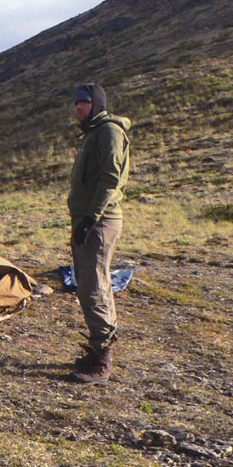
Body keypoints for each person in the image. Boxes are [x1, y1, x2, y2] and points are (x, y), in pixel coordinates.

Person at [67, 82, 132, 384]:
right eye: (77, 102)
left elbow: (110, 178)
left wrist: (90, 218)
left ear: (97, 104)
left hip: (99, 220)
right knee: (93, 282)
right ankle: (98, 348)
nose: (79, 107)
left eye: (84, 102)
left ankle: (101, 357)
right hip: (89, 218)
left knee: (92, 285)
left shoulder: (108, 132)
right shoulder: (94, 131)